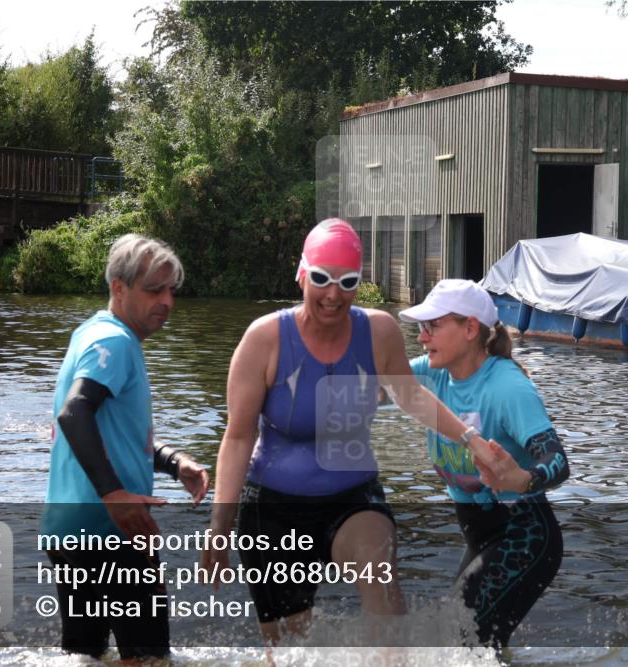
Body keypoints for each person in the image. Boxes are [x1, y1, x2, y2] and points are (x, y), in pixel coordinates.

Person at [201, 219, 501, 645]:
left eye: (347, 281)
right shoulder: (264, 339)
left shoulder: (378, 331)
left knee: (381, 577)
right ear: (302, 274)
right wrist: (220, 523)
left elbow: (410, 396)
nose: (332, 294)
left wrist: (471, 440)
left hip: (352, 496)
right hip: (273, 508)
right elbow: (237, 437)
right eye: (321, 279)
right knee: (288, 645)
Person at [43, 233, 210, 661]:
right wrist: (114, 496)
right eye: (154, 289)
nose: (167, 301)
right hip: (111, 532)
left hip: (69, 531)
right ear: (119, 288)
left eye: (172, 290)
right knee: (150, 658)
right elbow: (73, 414)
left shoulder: (91, 333)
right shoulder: (115, 342)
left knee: (84, 655)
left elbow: (105, 431)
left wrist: (174, 463)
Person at [398, 279, 570, 648]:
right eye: (420, 328)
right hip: (481, 538)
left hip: (524, 538)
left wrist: (522, 478)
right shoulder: (431, 374)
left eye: (432, 327)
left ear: (470, 329)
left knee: (460, 643)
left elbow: (558, 460)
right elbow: (369, 377)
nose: (422, 338)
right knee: (466, 645)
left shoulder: (507, 388)